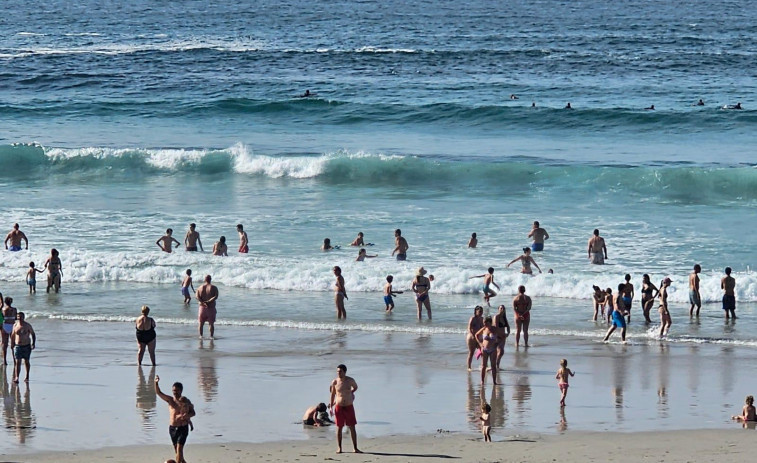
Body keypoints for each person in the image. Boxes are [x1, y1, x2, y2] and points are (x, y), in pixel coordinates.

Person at [155, 376, 195, 463]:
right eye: (173, 391)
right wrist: (156, 383)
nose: (175, 393)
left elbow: (193, 413)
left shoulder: (186, 401)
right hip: (172, 428)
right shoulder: (170, 400)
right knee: (177, 452)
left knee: (179, 449)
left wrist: (186, 416)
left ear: (181, 391)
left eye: (177, 391)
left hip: (183, 428)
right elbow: (158, 393)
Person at [329, 364, 360, 454]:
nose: (338, 373)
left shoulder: (350, 380)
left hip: (349, 406)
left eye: (340, 371)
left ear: (345, 372)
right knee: (339, 428)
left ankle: (355, 448)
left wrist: (351, 393)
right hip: (339, 407)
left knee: (352, 427)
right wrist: (331, 406)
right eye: (337, 371)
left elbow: (355, 387)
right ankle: (339, 448)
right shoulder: (335, 382)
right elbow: (332, 394)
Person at [10, 312, 35, 383]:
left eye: (21, 317)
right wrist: (12, 344)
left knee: (26, 361)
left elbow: (33, 334)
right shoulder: (15, 325)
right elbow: (12, 335)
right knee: (18, 362)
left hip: (26, 346)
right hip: (18, 346)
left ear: (23, 317)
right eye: (18, 317)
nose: (19, 318)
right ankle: (17, 377)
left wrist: (33, 343)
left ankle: (27, 376)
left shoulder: (27, 326)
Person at [475, 317, 500, 384]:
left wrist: (497, 344)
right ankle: (482, 381)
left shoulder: (494, 329)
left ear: (489, 322)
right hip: (485, 349)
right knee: (483, 366)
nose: (483, 323)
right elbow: (476, 335)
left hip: (493, 349)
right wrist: (480, 343)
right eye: (483, 322)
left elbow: (502, 337)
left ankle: (494, 381)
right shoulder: (484, 329)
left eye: (485, 322)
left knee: (493, 366)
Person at [466, 306, 485, 371]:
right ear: (476, 311)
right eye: (479, 311)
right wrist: (473, 335)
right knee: (471, 352)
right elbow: (469, 328)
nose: (481, 313)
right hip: (472, 337)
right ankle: (469, 367)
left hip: (479, 337)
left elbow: (484, 328)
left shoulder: (482, 319)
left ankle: (484, 365)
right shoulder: (473, 318)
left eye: (482, 311)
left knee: (483, 351)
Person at [493, 304, 511, 370]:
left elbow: (508, 326)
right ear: (498, 309)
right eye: (501, 308)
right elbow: (496, 327)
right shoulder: (496, 317)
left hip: (503, 336)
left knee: (501, 352)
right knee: (500, 351)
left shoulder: (504, 317)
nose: (502, 309)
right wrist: (499, 335)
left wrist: (508, 333)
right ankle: (494, 365)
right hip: (497, 336)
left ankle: (497, 365)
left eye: (503, 308)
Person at [2, 297, 17, 365]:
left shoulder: (3, 309)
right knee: (13, 343)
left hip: (5, 326)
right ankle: (14, 359)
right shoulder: (14, 309)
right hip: (12, 326)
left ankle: (5, 360)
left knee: (4, 344)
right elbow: (16, 318)